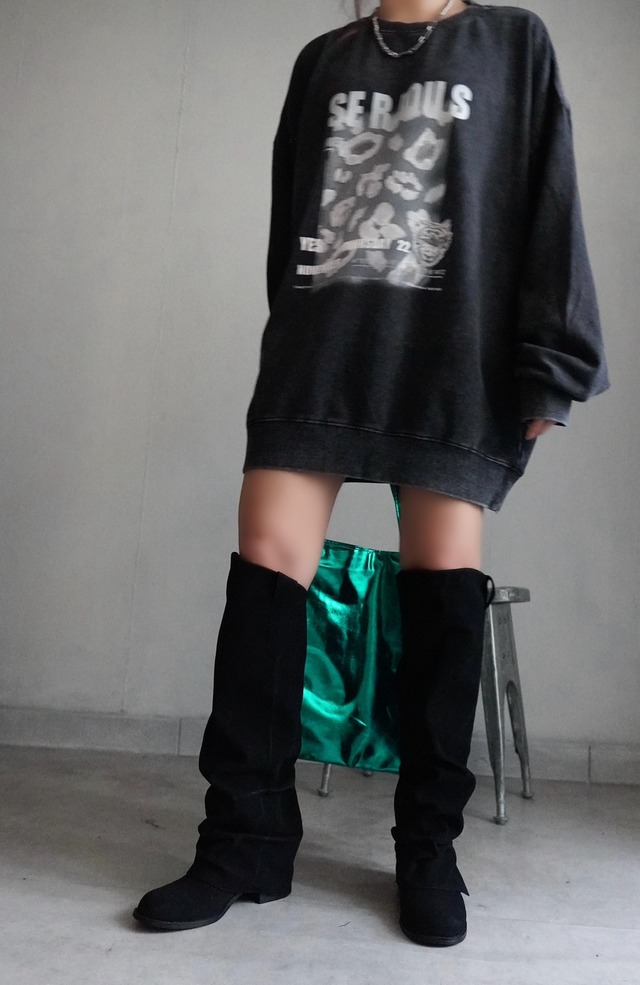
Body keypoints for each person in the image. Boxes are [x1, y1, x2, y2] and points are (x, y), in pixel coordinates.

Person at [133, 0, 608, 947]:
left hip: (453, 356)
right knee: (266, 567)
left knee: (443, 581)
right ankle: (244, 840)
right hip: (321, 348)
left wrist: (550, 361)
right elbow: (293, 217)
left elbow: (548, 198)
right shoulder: (325, 58)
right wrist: (291, 333)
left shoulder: (512, 42)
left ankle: (428, 848)